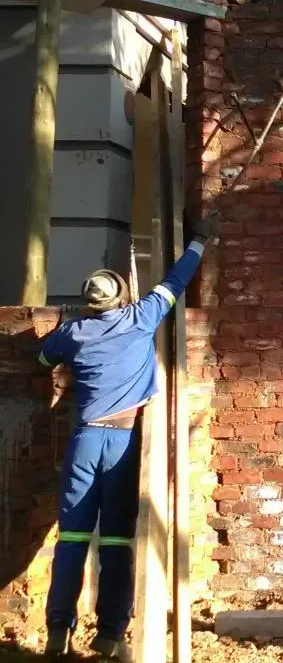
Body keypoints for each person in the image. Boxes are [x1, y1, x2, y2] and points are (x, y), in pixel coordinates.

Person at [38, 219, 218, 661]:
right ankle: (110, 633)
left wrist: (70, 328)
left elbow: (44, 356)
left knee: (74, 537)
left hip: (84, 440)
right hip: (122, 442)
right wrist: (198, 241)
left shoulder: (75, 333)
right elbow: (175, 281)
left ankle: (58, 630)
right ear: (121, 297)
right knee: (117, 539)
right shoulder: (141, 318)